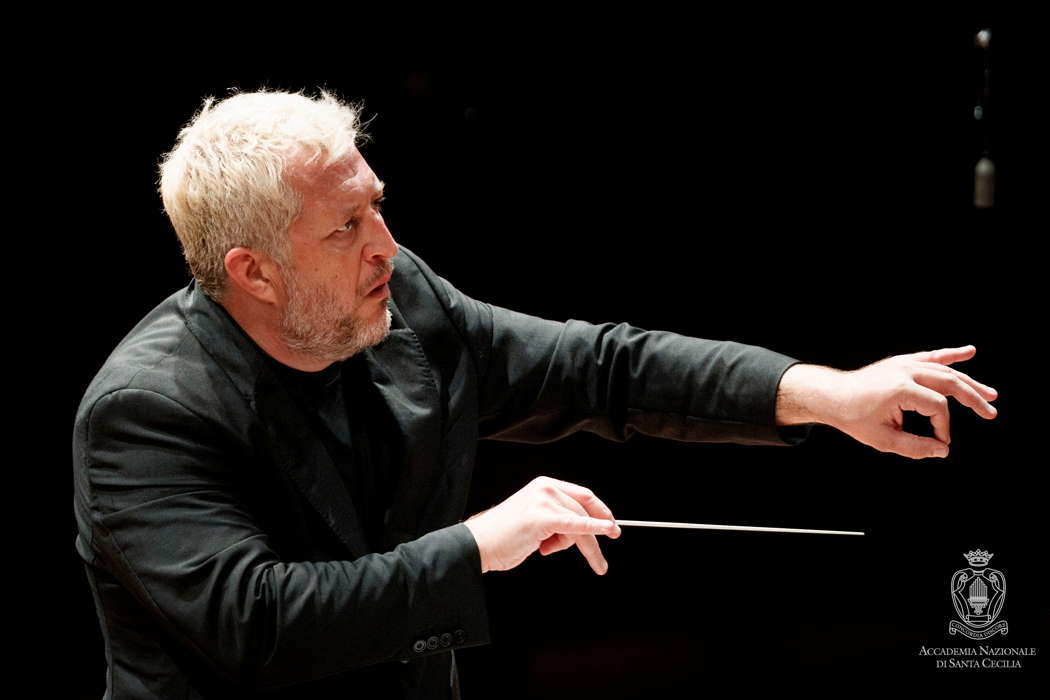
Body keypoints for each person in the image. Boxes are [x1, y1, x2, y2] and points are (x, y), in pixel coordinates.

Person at [72, 90, 998, 699]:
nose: (385, 246)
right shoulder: (148, 413)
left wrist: (820, 392)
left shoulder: (403, 303)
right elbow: (257, 624)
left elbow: (600, 368)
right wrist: (477, 544)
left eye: (379, 205)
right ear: (255, 272)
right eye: (347, 225)